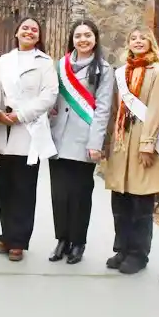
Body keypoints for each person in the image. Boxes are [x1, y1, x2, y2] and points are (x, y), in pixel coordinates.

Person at [98, 27, 159, 274]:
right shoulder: (122, 72)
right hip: (121, 141)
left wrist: (148, 144)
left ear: (151, 42)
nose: (138, 41)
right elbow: (115, 109)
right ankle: (122, 249)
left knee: (141, 202)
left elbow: (155, 109)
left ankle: (138, 254)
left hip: (142, 140)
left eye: (143, 38)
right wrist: (107, 142)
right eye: (133, 38)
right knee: (120, 201)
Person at [47, 19, 113, 264]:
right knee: (59, 194)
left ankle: (78, 242)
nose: (83, 40)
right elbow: (52, 97)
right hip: (58, 137)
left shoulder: (103, 69)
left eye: (87, 35)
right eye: (78, 36)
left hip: (84, 139)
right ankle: (62, 239)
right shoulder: (60, 65)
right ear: (72, 39)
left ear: (95, 39)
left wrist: (96, 143)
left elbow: (103, 108)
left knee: (80, 194)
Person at [0, 17, 58, 262]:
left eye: (34, 29)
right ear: (17, 32)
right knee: (4, 188)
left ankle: (19, 240)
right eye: (25, 28)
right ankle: (6, 234)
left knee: (24, 189)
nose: (29, 32)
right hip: (2, 128)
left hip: (28, 129)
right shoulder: (3, 61)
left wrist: (21, 115)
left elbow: (49, 95)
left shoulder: (45, 63)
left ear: (39, 36)